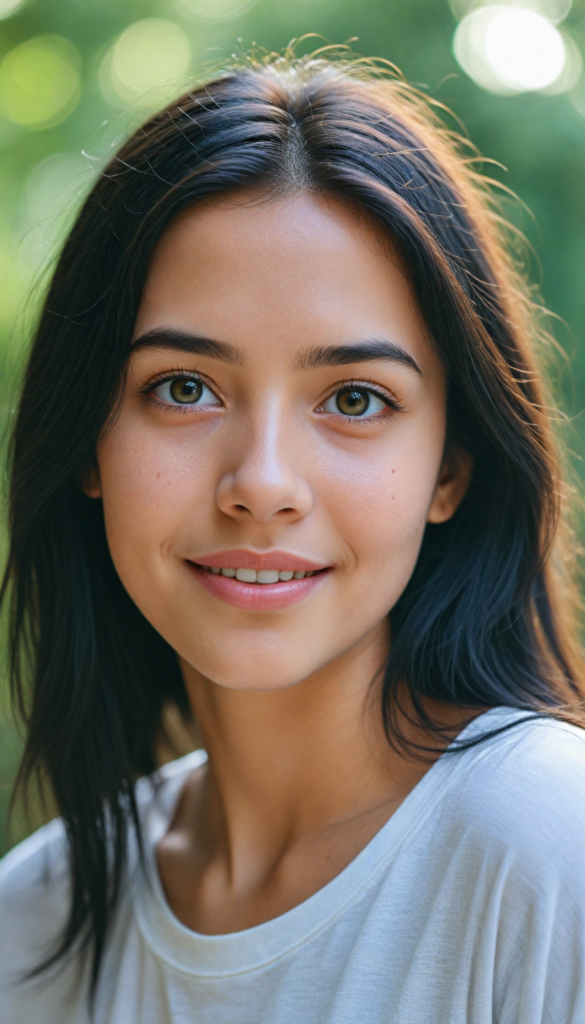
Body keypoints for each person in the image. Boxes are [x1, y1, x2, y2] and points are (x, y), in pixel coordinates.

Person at [1, 53, 585, 1024]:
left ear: (451, 469)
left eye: (354, 399)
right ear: (87, 439)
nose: (263, 483)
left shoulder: (552, 850)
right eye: (184, 387)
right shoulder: (27, 929)